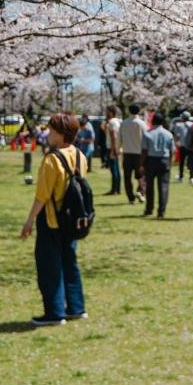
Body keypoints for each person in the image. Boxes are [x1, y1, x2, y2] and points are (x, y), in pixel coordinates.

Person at [21, 113, 90, 326]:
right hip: (72, 219)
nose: (48, 134)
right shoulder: (79, 155)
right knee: (70, 263)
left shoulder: (52, 160)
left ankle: (54, 312)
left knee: (49, 266)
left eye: (52, 130)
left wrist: (29, 221)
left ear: (61, 134)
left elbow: (42, 196)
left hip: (52, 219)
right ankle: (76, 307)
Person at [142, 112, 175, 218]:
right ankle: (161, 211)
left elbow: (144, 151)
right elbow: (172, 151)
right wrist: (170, 163)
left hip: (151, 160)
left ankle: (149, 209)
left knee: (149, 186)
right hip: (164, 160)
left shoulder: (147, 133)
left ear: (152, 121)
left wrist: (141, 164)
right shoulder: (169, 134)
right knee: (163, 186)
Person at [119, 108, 146, 204]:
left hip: (127, 153)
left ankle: (130, 198)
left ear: (129, 111)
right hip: (139, 153)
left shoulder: (124, 123)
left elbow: (119, 138)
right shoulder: (142, 123)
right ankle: (140, 191)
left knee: (127, 176)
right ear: (138, 111)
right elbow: (146, 138)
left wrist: (118, 149)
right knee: (141, 175)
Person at [102, 110, 123, 197]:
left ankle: (114, 190)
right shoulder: (118, 121)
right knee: (117, 169)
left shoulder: (111, 122)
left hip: (111, 147)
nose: (106, 113)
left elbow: (113, 136)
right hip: (116, 147)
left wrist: (112, 150)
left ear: (111, 112)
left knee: (113, 169)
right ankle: (118, 189)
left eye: (107, 111)